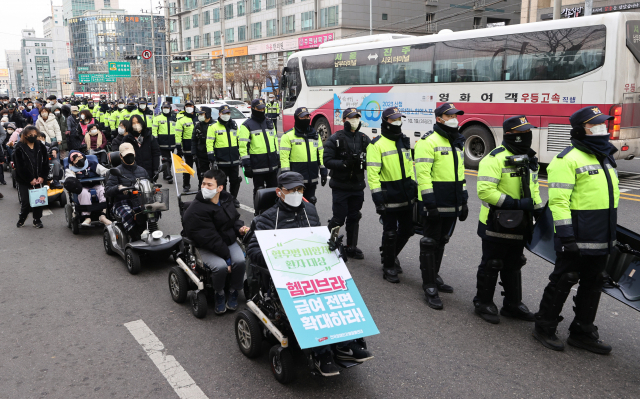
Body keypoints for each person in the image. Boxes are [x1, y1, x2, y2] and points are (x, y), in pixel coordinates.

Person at [246, 171, 373, 376]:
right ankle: (321, 353)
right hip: (285, 277)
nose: (296, 193)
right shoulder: (266, 219)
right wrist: (278, 254)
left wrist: (334, 247)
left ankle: (346, 343)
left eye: (300, 189)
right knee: (309, 301)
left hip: (312, 271)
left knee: (337, 293)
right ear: (279, 192)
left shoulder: (310, 211)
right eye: (291, 190)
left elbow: (318, 241)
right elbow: (252, 251)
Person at [532, 106, 619, 354]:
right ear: (582, 130)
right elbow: (559, 202)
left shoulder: (605, 156)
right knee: (564, 279)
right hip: (577, 236)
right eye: (597, 125)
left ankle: (582, 331)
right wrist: (566, 237)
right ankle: (544, 326)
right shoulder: (567, 159)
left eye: (604, 123)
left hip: (602, 235)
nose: (603, 128)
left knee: (593, 283)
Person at [473, 116, 543, 323]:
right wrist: (515, 205)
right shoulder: (493, 159)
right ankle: (483, 302)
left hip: (522, 222)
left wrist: (538, 211)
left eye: (528, 131)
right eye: (521, 132)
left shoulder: (529, 159)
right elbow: (485, 192)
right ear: (510, 135)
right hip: (496, 222)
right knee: (492, 263)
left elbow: (534, 189)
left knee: (514, 263)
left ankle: (513, 305)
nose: (526, 136)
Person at [414, 103, 468, 310]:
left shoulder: (456, 141)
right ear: (439, 118)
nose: (454, 118)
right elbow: (423, 175)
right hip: (434, 202)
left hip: (452, 202)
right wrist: (429, 204)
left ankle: (434, 276)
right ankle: (429, 287)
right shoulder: (428, 141)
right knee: (429, 242)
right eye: (449, 115)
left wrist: (463, 200)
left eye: (456, 115)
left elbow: (460, 174)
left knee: (442, 240)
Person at [182, 169, 249, 314]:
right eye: (203, 184)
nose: (205, 187)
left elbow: (234, 219)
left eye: (209, 185)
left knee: (241, 261)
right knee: (220, 267)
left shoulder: (226, 199)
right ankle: (218, 293)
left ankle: (233, 290)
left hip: (227, 241)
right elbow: (209, 238)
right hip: (208, 246)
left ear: (220, 188)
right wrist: (227, 259)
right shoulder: (196, 209)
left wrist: (240, 229)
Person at [366, 107, 417, 284]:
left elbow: (410, 167)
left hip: (406, 194)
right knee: (390, 232)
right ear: (386, 122)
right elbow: (372, 175)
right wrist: (378, 198)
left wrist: (413, 187)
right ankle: (388, 265)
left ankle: (390, 253)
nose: (397, 122)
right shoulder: (376, 145)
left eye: (399, 119)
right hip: (389, 195)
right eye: (393, 119)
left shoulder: (404, 141)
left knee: (408, 230)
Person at [324, 108, 371, 259]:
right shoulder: (335, 138)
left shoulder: (364, 138)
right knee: (339, 218)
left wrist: (363, 161)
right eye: (351, 118)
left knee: (354, 216)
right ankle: (330, 241)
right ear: (344, 120)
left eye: (357, 117)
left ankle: (351, 246)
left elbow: (373, 158)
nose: (355, 120)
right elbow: (327, 161)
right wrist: (344, 164)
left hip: (357, 186)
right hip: (341, 186)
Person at [279, 107, 326, 204]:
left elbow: (321, 153)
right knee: (295, 205)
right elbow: (284, 158)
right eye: (303, 117)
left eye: (308, 116)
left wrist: (323, 169)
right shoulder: (288, 136)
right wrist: (287, 176)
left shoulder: (315, 135)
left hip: (312, 178)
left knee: (310, 203)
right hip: (296, 181)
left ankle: (309, 219)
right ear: (296, 118)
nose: (306, 119)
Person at [105, 143, 150, 240]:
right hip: (122, 202)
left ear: (134, 153)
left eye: (131, 154)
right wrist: (119, 187)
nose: (129, 157)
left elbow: (149, 185)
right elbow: (107, 191)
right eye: (126, 155)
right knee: (128, 214)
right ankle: (135, 238)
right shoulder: (116, 172)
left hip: (140, 201)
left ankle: (152, 233)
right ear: (121, 156)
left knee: (154, 209)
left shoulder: (142, 171)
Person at [238, 98, 280, 198]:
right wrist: (246, 165)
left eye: (263, 109)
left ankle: (272, 212)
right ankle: (258, 212)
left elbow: (275, 142)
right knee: (259, 191)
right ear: (253, 108)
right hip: (257, 166)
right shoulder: (246, 125)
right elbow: (243, 147)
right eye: (259, 109)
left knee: (274, 190)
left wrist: (278, 158)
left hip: (272, 165)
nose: (262, 111)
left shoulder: (269, 122)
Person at [205, 105, 242, 207]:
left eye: (228, 113)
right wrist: (211, 156)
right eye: (224, 113)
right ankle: (224, 198)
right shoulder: (213, 127)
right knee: (222, 182)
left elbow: (239, 141)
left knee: (235, 180)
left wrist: (242, 155)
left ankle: (233, 198)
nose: (226, 115)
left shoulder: (234, 125)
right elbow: (209, 143)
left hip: (234, 159)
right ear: (219, 114)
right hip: (221, 160)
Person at [13, 126, 50, 228]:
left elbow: (45, 162)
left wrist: (42, 176)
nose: (33, 136)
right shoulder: (19, 148)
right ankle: (22, 217)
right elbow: (20, 166)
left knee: (38, 201)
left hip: (39, 179)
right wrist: (30, 179)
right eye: (30, 135)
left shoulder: (40, 146)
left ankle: (37, 220)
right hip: (24, 180)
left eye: (35, 134)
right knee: (25, 202)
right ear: (25, 135)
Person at [63, 150, 110, 226]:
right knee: (83, 193)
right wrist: (71, 180)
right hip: (82, 187)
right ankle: (87, 217)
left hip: (95, 185)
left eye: (80, 156)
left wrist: (108, 173)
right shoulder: (70, 168)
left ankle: (103, 215)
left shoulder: (92, 163)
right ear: (72, 162)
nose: (79, 159)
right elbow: (69, 177)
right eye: (76, 159)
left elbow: (103, 170)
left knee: (103, 190)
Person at [123, 114, 161, 179]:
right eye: (133, 123)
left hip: (148, 172)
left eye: (138, 122)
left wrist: (155, 170)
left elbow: (156, 154)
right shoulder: (127, 139)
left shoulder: (150, 138)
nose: (136, 124)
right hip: (132, 173)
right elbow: (123, 156)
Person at [175, 100, 198, 191]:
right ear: (184, 107)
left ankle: (201, 185)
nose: (189, 107)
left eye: (190, 106)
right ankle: (186, 185)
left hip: (198, 147)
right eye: (187, 106)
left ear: (193, 107)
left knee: (200, 168)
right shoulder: (181, 120)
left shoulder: (198, 118)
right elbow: (178, 135)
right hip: (187, 147)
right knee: (188, 167)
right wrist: (178, 147)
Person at [151, 102, 177, 183]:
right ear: (162, 108)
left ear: (170, 108)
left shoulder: (174, 118)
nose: (166, 109)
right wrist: (155, 141)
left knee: (170, 159)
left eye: (167, 108)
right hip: (162, 142)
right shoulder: (157, 118)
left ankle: (167, 172)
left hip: (172, 142)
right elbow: (154, 131)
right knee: (165, 159)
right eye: (164, 108)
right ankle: (168, 175)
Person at [192, 107, 215, 187]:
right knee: (202, 173)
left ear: (207, 114)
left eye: (202, 114)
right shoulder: (198, 125)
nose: (200, 116)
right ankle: (202, 187)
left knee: (214, 173)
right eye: (199, 114)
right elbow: (194, 140)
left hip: (212, 153)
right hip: (201, 153)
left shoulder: (214, 125)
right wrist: (194, 153)